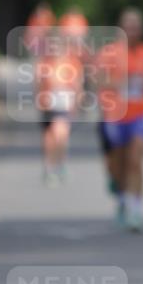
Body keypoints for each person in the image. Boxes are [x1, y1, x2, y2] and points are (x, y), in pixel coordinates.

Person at [97, 9, 143, 231]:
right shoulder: (108, 53)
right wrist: (121, 83)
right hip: (115, 115)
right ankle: (122, 197)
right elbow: (99, 82)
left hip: (141, 113)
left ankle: (136, 208)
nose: (132, 30)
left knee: (135, 160)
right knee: (118, 164)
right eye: (128, 26)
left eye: (136, 26)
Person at [36, 10, 88, 185]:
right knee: (50, 137)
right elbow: (38, 83)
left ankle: (60, 163)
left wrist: (79, 100)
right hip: (48, 105)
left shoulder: (72, 62)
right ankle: (50, 165)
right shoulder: (44, 62)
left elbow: (77, 84)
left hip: (65, 105)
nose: (55, 48)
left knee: (61, 134)